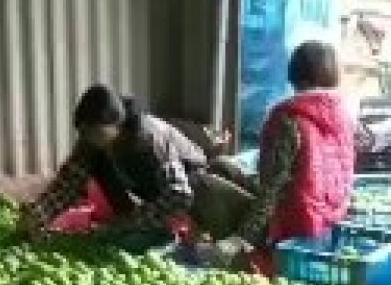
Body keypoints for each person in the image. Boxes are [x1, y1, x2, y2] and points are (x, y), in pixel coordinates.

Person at [21, 85, 255, 249]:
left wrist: (127, 223)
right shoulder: (94, 139)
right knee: (93, 163)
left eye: (94, 131)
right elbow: (70, 179)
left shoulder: (149, 140)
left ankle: (163, 228)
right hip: (146, 187)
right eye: (85, 132)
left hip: (188, 179)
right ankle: (136, 226)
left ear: (116, 124)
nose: (88, 137)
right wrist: (39, 215)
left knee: (192, 189)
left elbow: (179, 194)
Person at [239, 40, 356, 252]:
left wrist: (241, 239)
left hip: (295, 230)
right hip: (333, 225)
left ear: (294, 72)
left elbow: (272, 188)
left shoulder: (288, 118)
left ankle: (246, 260)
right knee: (225, 168)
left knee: (206, 184)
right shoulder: (344, 116)